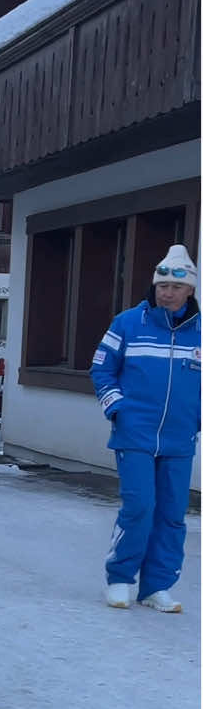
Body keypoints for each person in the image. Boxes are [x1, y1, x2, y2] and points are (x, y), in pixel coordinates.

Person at [91, 243, 201, 612]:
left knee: (171, 513)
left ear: (191, 290)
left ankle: (157, 587)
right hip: (134, 434)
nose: (167, 293)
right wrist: (117, 409)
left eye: (176, 287)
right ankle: (120, 579)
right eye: (162, 286)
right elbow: (102, 369)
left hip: (179, 439)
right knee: (140, 506)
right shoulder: (127, 323)